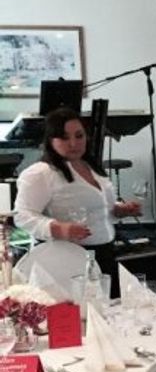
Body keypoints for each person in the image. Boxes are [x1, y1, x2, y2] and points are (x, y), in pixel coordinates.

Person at [13, 106, 142, 282]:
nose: (73, 143)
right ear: (50, 140)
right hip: (66, 260)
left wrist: (119, 210)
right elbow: (22, 216)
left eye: (79, 136)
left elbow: (97, 208)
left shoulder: (91, 166)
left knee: (108, 298)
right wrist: (58, 228)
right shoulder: (41, 173)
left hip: (105, 252)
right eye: (64, 137)